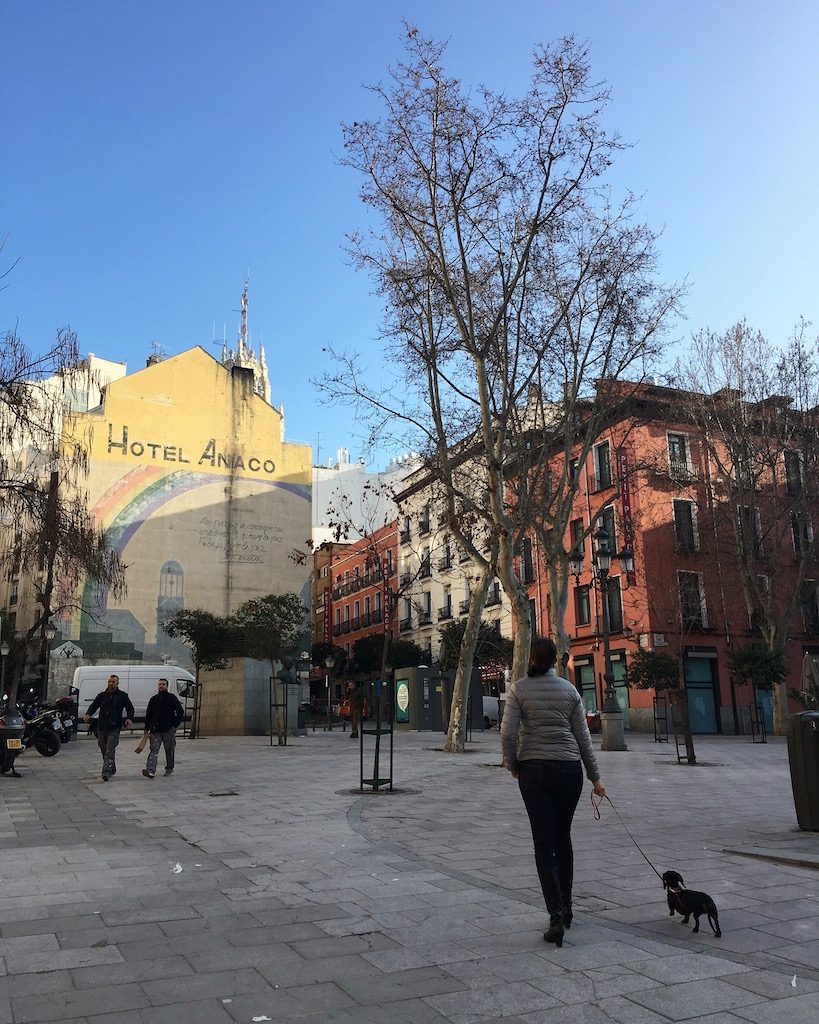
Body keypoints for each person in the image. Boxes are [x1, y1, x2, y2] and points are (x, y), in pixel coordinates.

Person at [500, 638, 606, 948]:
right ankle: (568, 907)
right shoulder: (570, 691)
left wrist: (513, 764)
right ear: (555, 660)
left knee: (543, 843)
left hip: (533, 770)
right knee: (563, 836)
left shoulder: (519, 689)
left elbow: (507, 733)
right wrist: (595, 777)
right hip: (568, 770)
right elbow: (583, 738)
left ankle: (555, 915)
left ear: (530, 658)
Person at [83, 674, 134, 782]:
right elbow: (94, 705)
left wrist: (129, 718)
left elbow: (130, 708)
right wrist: (88, 714)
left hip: (114, 727)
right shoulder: (102, 695)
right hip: (102, 726)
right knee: (103, 748)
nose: (111, 684)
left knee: (110, 749)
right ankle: (112, 767)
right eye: (109, 682)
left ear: (117, 683)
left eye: (113, 682)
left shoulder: (122, 695)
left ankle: (106, 772)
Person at [142, 678, 184, 778]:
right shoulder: (154, 699)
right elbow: (149, 715)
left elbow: (180, 712)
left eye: (163, 684)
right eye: (160, 684)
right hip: (155, 730)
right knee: (153, 750)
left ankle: (169, 768)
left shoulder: (172, 698)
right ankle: (150, 770)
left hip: (168, 729)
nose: (161, 686)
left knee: (169, 750)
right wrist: (146, 728)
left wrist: (174, 726)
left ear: (167, 686)